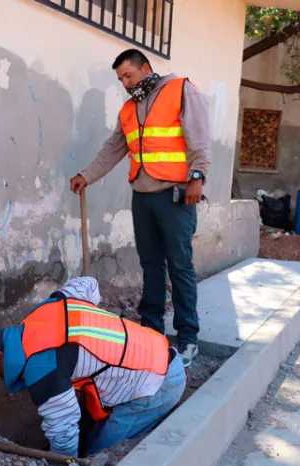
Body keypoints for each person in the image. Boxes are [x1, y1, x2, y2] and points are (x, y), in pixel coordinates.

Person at [69, 49, 211, 368]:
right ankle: (151, 331)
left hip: (176, 194)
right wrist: (86, 175)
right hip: (143, 196)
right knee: (150, 265)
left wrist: (197, 177)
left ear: (145, 68)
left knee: (180, 266)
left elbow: (200, 139)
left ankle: (188, 337)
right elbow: (113, 149)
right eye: (120, 79)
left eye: (128, 76)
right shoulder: (129, 110)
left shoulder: (181, 90)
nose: (125, 83)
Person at [0, 277, 186, 458]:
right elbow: (88, 284)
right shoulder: (45, 311)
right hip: (158, 352)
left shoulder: (41, 368)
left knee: (97, 456)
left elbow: (63, 431)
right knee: (91, 433)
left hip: (157, 385)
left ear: (0, 356)